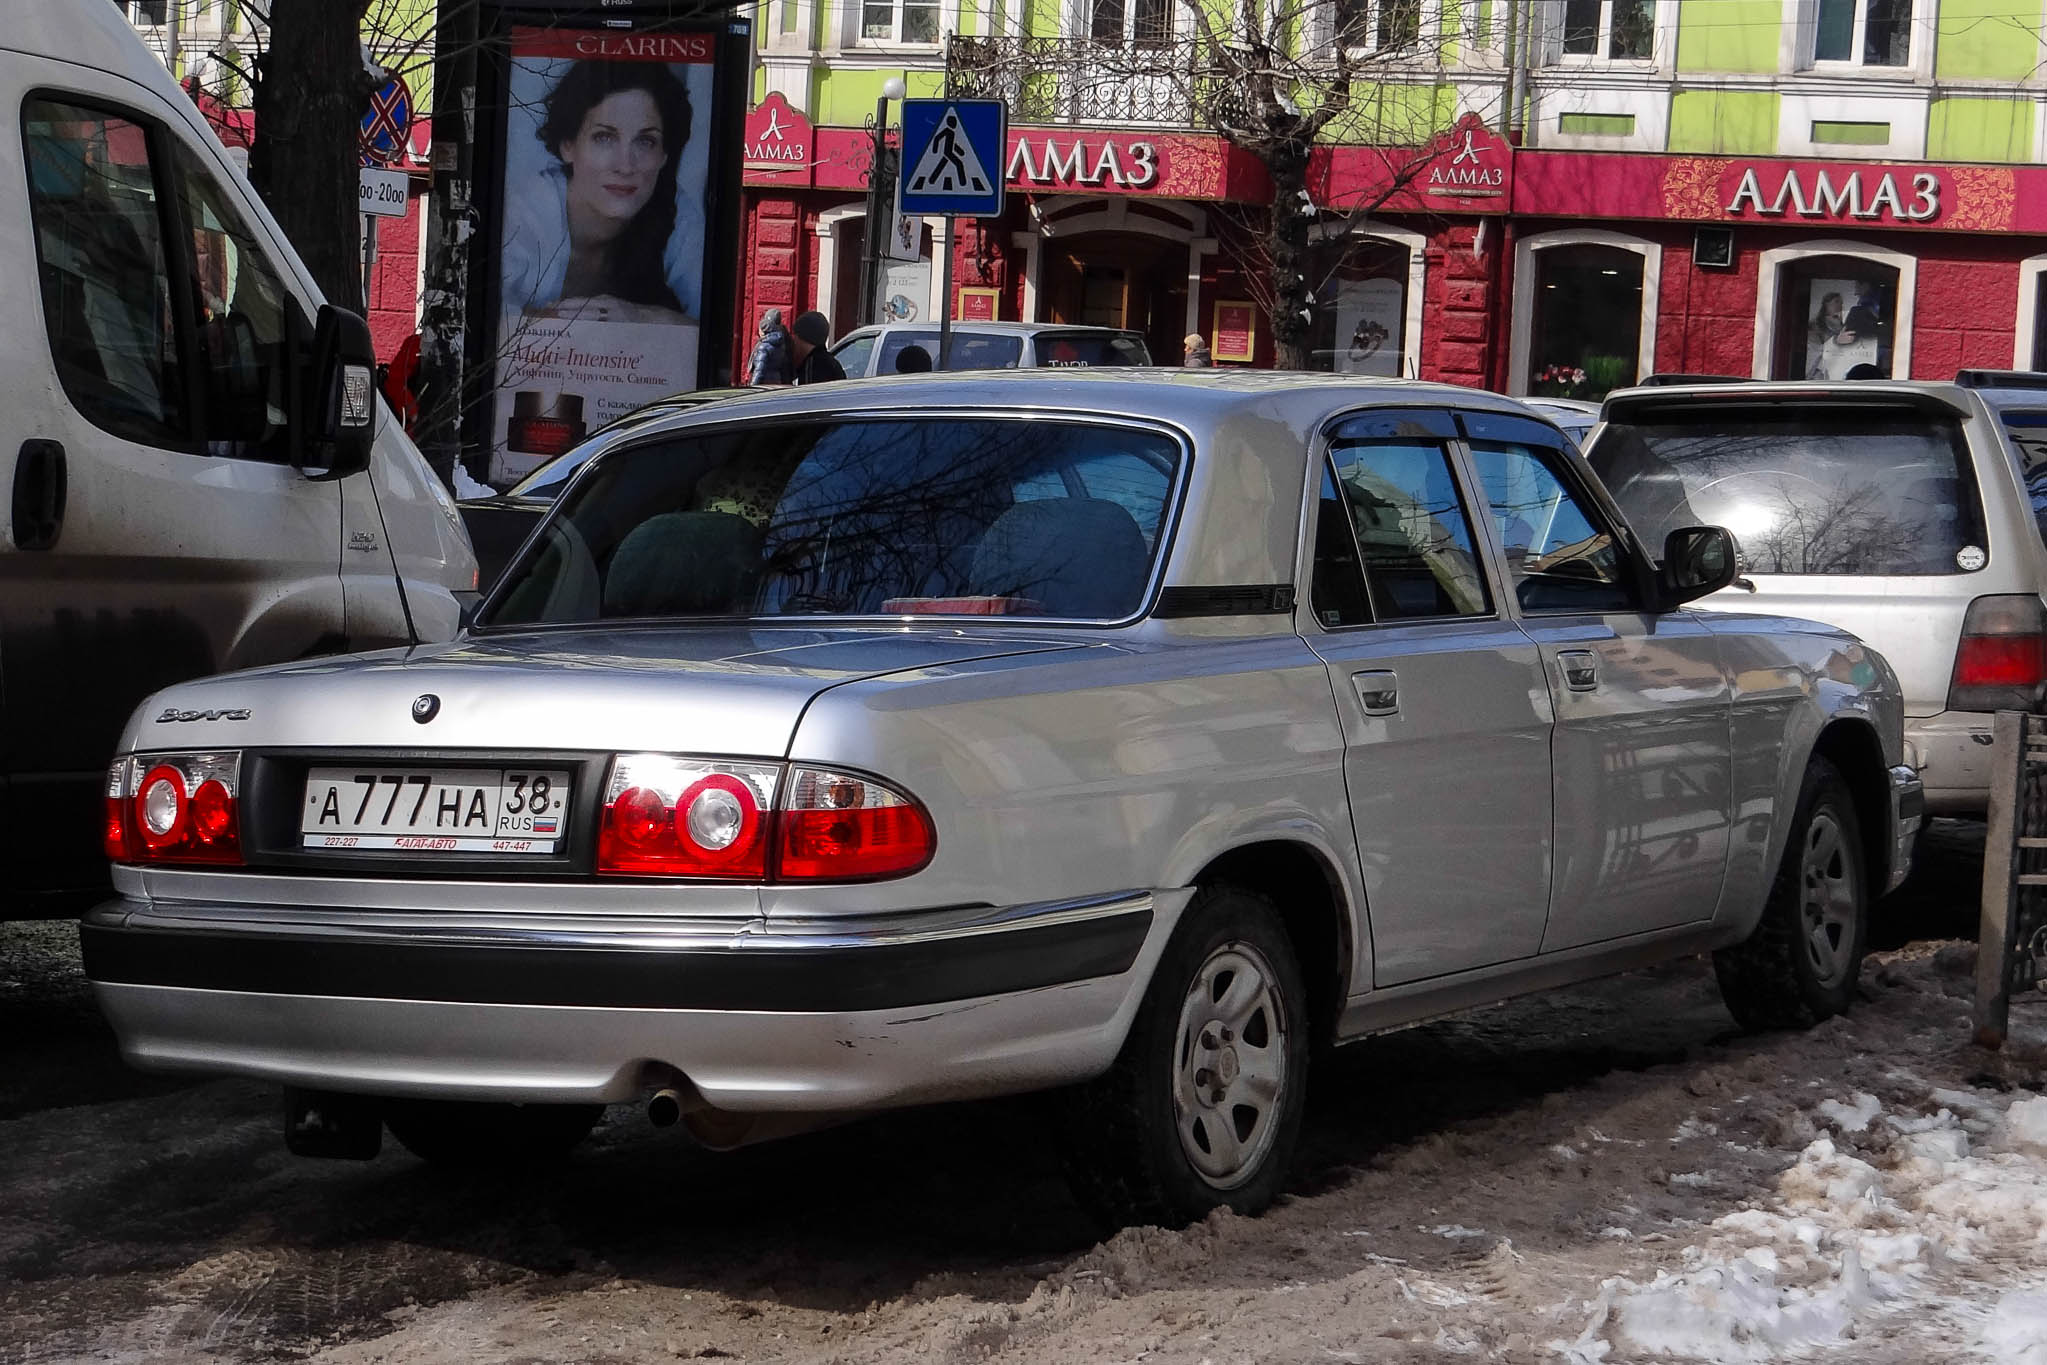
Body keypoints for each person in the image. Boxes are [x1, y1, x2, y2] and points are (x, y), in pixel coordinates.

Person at [499, 60, 701, 326]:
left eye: (645, 141)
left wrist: (643, 319)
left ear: (664, 155)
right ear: (567, 145)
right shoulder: (523, 215)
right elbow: (478, 313)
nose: (626, 165)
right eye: (604, 137)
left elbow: (713, 324)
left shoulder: (678, 215)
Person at [790, 311, 845, 384]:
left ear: (799, 338)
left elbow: (807, 394)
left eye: (794, 336)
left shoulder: (812, 367)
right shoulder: (832, 363)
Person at [748, 308, 791, 386]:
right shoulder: (782, 342)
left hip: (764, 384)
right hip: (777, 382)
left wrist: (753, 386)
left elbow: (759, 370)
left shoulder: (764, 347)